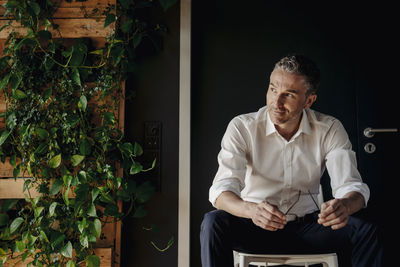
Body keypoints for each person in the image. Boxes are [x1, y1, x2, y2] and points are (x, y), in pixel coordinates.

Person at [200, 54, 383, 267]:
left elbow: (352, 187)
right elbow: (221, 191)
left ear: (309, 100)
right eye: (273, 89)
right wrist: (251, 210)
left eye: (289, 94)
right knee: (213, 222)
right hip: (255, 227)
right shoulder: (242, 127)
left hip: (309, 229)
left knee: (366, 230)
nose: (276, 102)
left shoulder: (330, 128)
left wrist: (345, 205)